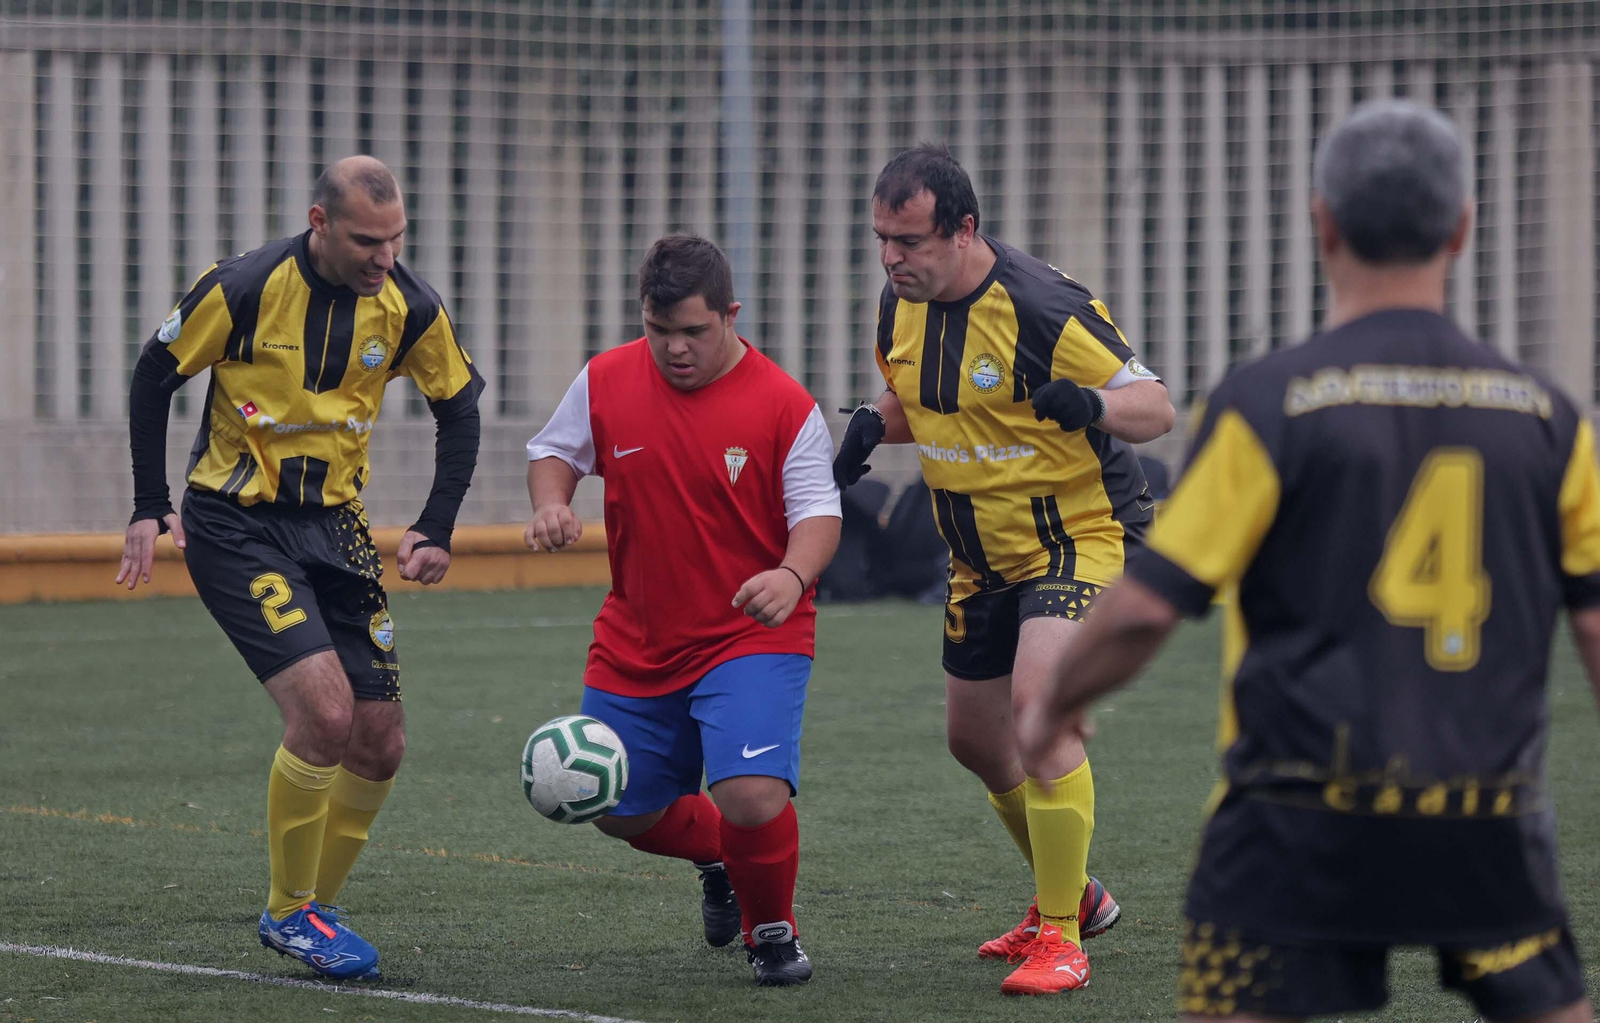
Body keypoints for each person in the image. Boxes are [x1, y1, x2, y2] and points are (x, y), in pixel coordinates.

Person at [1016, 100, 1596, 1023]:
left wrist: (1052, 702)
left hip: (1297, 811)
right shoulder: (1549, 417)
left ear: (1320, 221)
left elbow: (1145, 608)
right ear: (1464, 226)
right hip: (1484, 809)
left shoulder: (1267, 403)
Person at [117, 156, 483, 981]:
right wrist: (149, 502)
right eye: (366, 240)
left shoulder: (409, 305)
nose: (385, 257)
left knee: (380, 740)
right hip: (235, 524)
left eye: (395, 239)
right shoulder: (245, 287)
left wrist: (437, 523)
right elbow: (154, 373)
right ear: (320, 223)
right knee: (324, 712)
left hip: (338, 530)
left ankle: (312, 903)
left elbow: (458, 407)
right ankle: (288, 914)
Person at [831, 144, 1173, 995]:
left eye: (909, 241)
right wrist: (875, 426)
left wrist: (1091, 402)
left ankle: (1061, 937)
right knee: (976, 741)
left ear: (964, 229)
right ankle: (1076, 896)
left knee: (1038, 709)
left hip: (1080, 536)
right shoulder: (897, 305)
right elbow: (931, 401)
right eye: (882, 239)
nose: (892, 258)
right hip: (980, 555)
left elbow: (1158, 407)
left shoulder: (1043, 305)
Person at [524, 234, 841, 987]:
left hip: (752, 631)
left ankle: (773, 931)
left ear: (730, 315)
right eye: (658, 330)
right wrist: (550, 505)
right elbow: (555, 452)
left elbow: (819, 515)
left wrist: (793, 577)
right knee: (611, 807)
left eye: (693, 331)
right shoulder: (605, 379)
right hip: (639, 635)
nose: (674, 349)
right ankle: (719, 858)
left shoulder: (784, 403)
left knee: (750, 793)